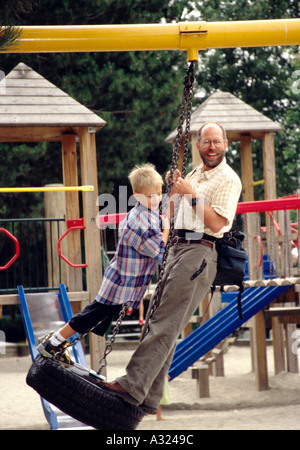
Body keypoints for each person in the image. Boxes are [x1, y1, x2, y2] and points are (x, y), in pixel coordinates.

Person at [97, 121, 242, 415]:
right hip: (176, 247)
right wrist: (173, 191)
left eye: (217, 141)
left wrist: (189, 193)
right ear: (198, 145)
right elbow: (171, 211)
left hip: (200, 251)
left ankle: (132, 384)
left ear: (226, 144)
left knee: (164, 321)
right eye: (206, 142)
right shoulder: (194, 174)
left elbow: (216, 223)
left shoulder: (229, 179)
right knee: (158, 319)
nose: (211, 147)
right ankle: (149, 396)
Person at [37, 163, 170, 365]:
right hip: (121, 283)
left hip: (123, 280)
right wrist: (167, 229)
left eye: (159, 194)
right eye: (150, 196)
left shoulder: (147, 214)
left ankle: (57, 341)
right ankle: (53, 341)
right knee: (93, 313)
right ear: (136, 195)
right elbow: (161, 251)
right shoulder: (141, 221)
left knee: (98, 315)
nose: (156, 199)